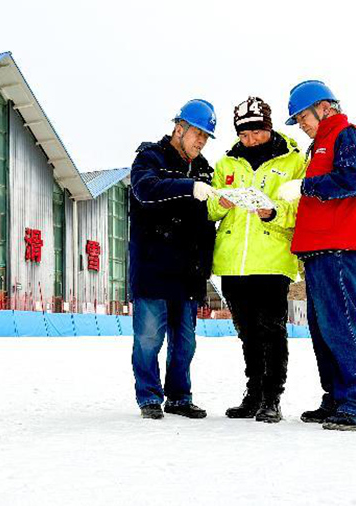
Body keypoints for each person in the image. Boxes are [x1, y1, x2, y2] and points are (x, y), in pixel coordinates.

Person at [277, 80, 356, 431]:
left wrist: (305, 186)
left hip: (340, 245)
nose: (301, 125)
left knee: (341, 323)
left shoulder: (347, 135)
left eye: (302, 117)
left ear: (324, 107)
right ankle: (335, 397)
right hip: (319, 247)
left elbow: (352, 179)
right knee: (323, 328)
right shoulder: (319, 145)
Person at [208, 97, 306, 423]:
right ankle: (253, 395)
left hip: (273, 259)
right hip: (233, 261)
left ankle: (272, 398)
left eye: (256, 133)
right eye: (243, 134)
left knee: (272, 331)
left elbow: (302, 208)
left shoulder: (294, 161)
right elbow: (210, 209)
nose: (249, 140)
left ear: (269, 127)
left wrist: (274, 212)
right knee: (247, 332)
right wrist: (220, 203)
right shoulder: (226, 163)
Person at [128, 99, 220, 420]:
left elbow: (206, 223)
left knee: (185, 343)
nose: (201, 141)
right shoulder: (149, 157)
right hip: (154, 268)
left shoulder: (205, 169)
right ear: (179, 128)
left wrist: (205, 266)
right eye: (198, 133)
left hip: (188, 273)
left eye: (206, 136)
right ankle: (149, 396)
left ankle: (179, 397)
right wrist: (189, 187)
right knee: (148, 339)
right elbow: (145, 189)